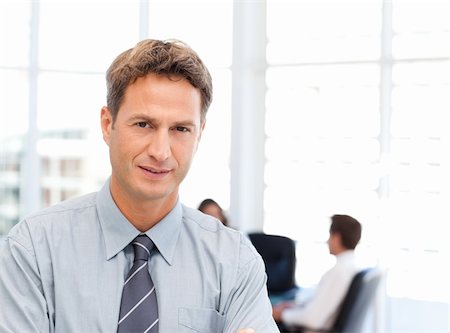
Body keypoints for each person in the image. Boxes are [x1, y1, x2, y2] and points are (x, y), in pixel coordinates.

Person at [0, 39, 279, 333]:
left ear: (200, 135)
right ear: (108, 125)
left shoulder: (234, 261)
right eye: (143, 124)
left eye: (180, 129)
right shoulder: (32, 249)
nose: (161, 151)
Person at [272, 214, 362, 331]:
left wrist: (281, 315)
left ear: (336, 237)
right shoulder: (352, 267)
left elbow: (313, 319)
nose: (327, 241)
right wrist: (295, 306)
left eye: (330, 236)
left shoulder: (338, 272)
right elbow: (322, 305)